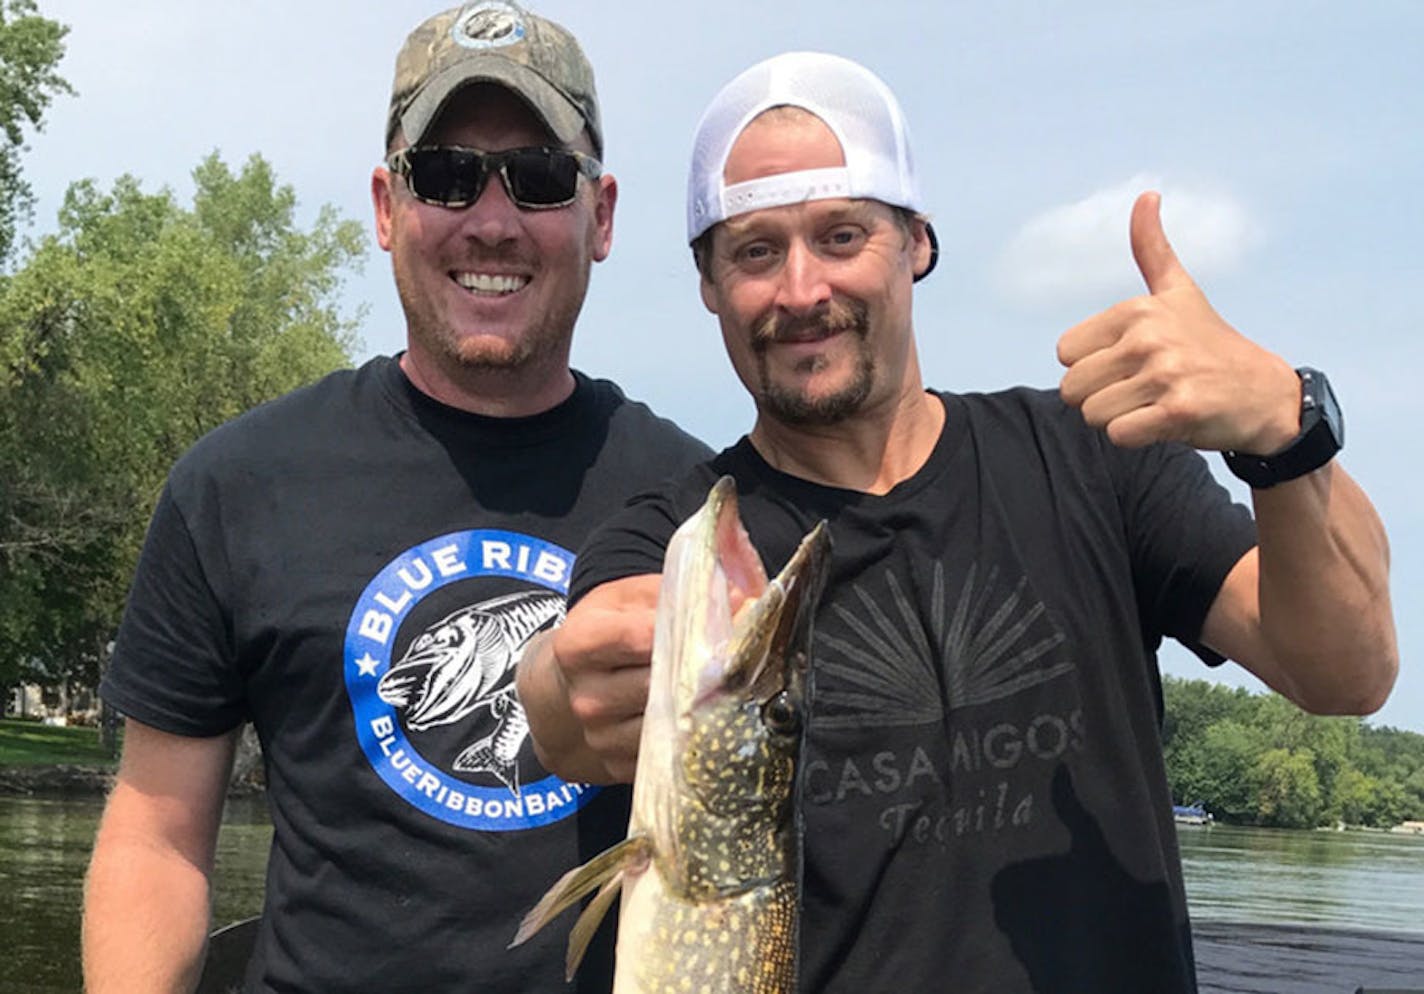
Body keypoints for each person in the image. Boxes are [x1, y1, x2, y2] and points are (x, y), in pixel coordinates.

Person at [516, 51, 1398, 992]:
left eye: (842, 234)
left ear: (918, 244)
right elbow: (577, 708)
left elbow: (1346, 669)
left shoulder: (1093, 457)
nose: (802, 289)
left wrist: (1284, 430)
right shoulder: (682, 537)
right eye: (756, 251)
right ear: (710, 285)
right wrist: (553, 683)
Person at [81, 4, 710, 992]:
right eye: (447, 174)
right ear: (386, 207)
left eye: (541, 178)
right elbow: (154, 833)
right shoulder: (236, 482)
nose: (491, 221)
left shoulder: (701, 514)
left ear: (601, 215)